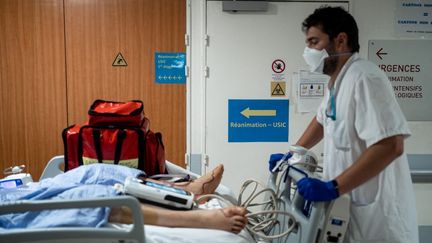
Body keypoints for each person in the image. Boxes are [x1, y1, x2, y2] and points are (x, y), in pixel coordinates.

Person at [286, 6, 417, 243]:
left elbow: (391, 145)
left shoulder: (365, 78)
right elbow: (323, 120)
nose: (308, 51)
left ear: (340, 40)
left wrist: (334, 187)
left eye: (314, 42)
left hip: (377, 222)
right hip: (349, 213)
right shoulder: (337, 84)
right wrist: (293, 154)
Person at [0, 163, 247, 234]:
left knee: (94, 171)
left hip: (13, 192)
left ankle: (191, 191)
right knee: (88, 196)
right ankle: (202, 219)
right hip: (8, 211)